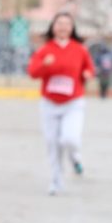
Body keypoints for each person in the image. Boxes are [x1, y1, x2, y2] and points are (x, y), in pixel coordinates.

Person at [27, 12, 95, 195]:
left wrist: (88, 74)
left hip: (73, 102)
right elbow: (32, 72)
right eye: (59, 23)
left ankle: (75, 158)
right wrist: (45, 65)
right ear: (53, 27)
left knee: (70, 139)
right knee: (52, 143)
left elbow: (90, 68)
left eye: (67, 24)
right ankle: (56, 181)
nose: (63, 27)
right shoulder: (45, 49)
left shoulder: (80, 49)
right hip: (49, 103)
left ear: (72, 28)